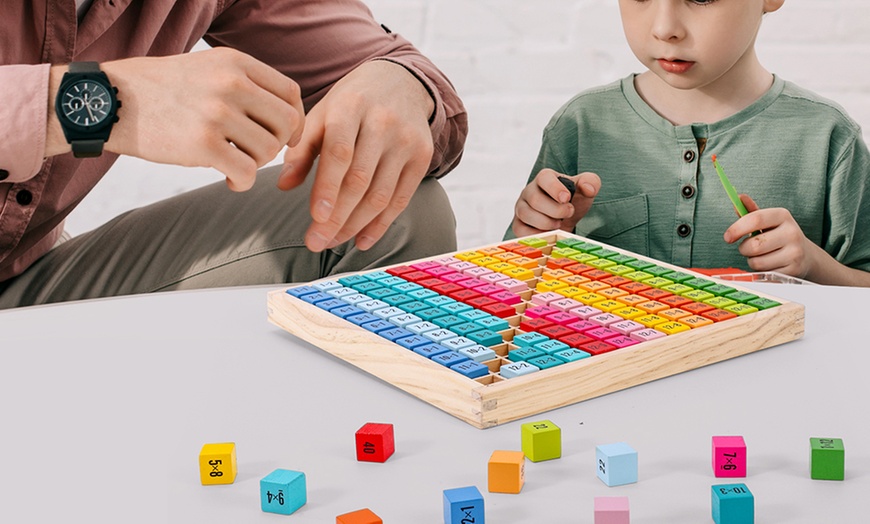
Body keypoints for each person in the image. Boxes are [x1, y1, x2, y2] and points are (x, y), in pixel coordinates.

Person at [0, 0, 468, 309]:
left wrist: (400, 85)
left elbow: (388, 68)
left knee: (392, 210)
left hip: (23, 280)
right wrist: (90, 103)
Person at [506, 0, 870, 286]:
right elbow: (510, 279)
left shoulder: (827, 136)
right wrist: (543, 234)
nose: (664, 28)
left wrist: (813, 265)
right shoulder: (581, 124)